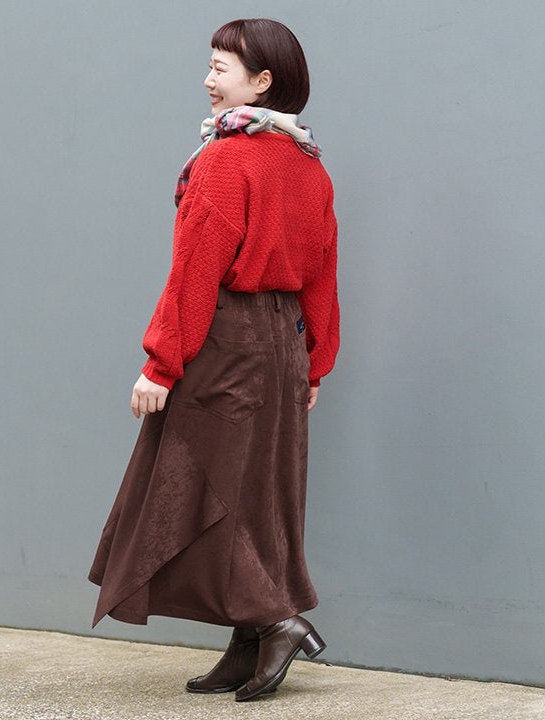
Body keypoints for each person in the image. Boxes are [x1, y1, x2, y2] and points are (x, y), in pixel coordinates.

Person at [88, 17, 340, 702]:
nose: (207, 79)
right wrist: (315, 362)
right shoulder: (308, 163)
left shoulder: (227, 160)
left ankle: (277, 620)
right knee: (257, 492)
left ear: (262, 82)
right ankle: (250, 639)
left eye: (220, 68)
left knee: (199, 484)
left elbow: (195, 271)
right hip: (282, 346)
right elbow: (322, 273)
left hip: (227, 340)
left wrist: (161, 364)